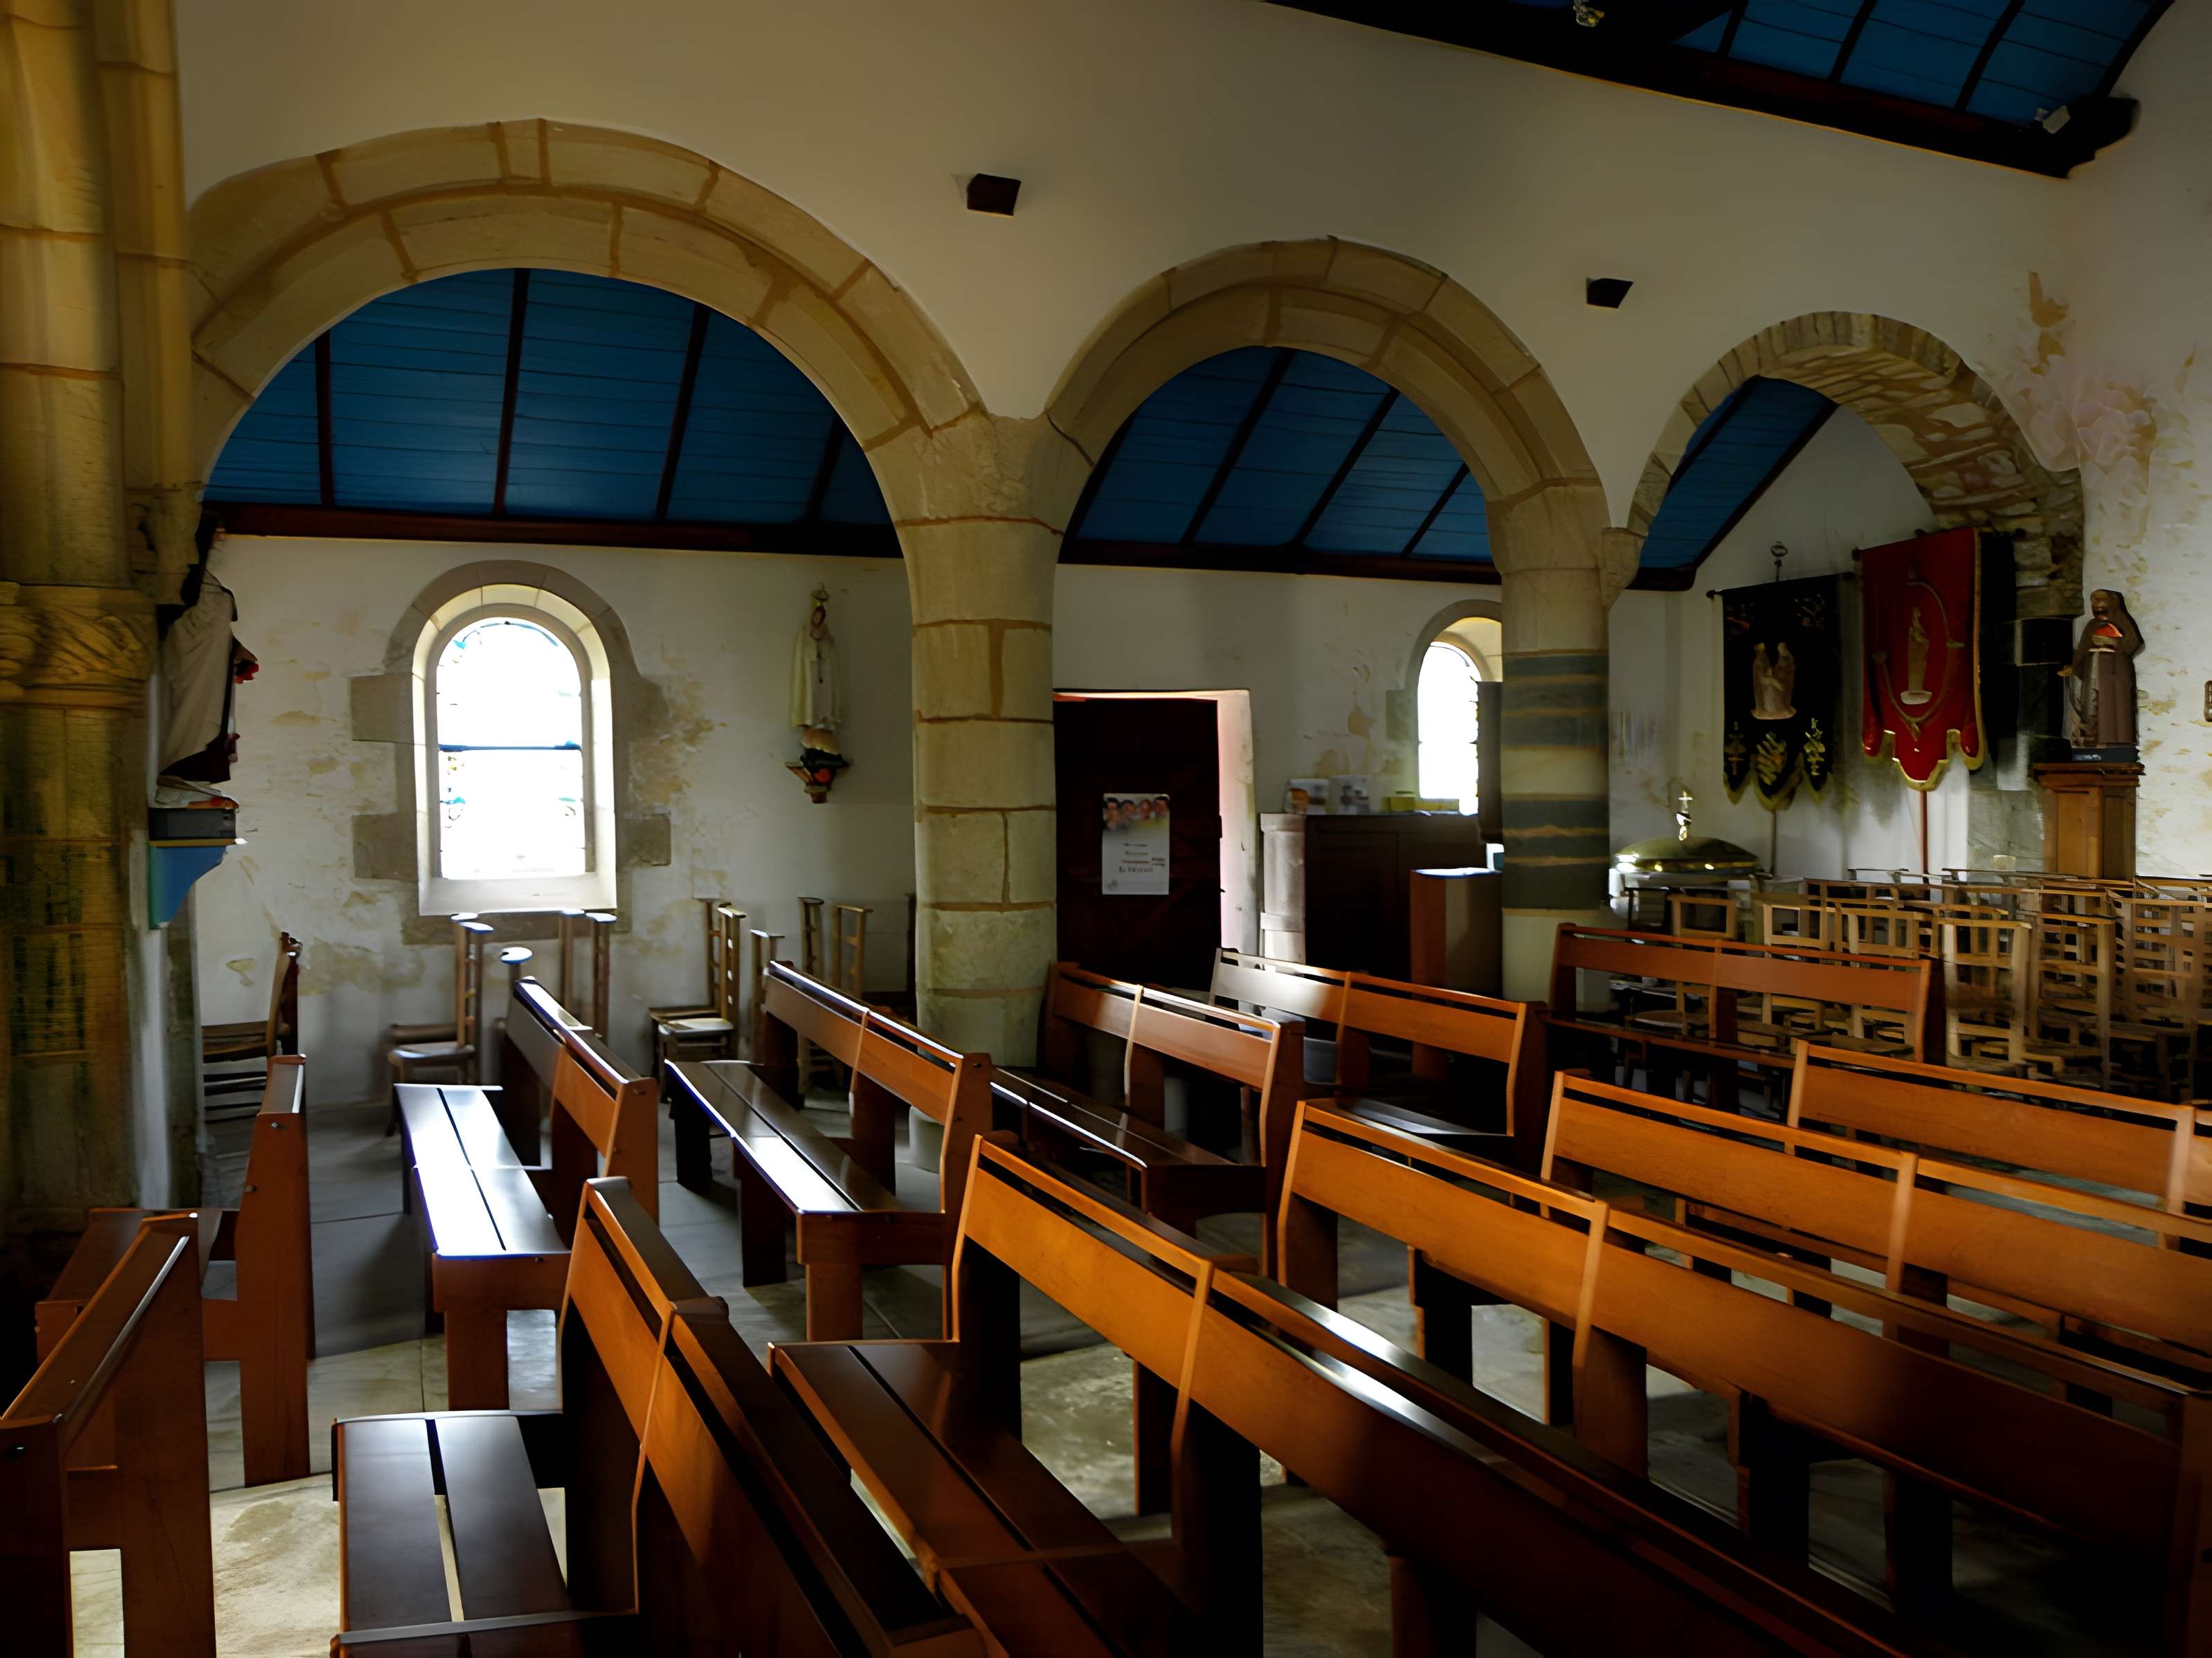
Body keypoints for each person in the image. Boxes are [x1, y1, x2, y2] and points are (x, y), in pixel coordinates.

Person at [2059, 588, 2143, 749]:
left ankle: (2115, 743)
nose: (2098, 607)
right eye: (2095, 604)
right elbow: (2083, 649)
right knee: (2090, 705)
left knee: (2113, 706)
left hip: (2114, 670)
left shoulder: (2122, 622)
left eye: (2102, 603)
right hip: (2093, 669)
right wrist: (2074, 667)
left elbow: (2132, 643)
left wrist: (2113, 643)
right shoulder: (2092, 625)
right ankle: (2091, 739)